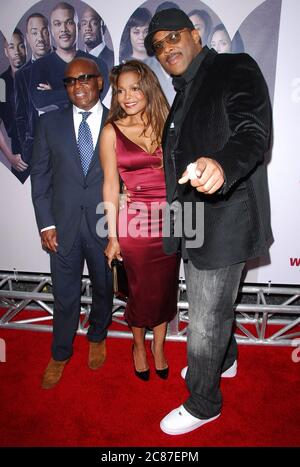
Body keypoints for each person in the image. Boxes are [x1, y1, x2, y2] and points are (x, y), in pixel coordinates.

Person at [144, 8, 273, 434]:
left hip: (226, 217)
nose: (167, 49)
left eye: (173, 37)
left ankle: (204, 403)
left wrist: (221, 164)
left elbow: (253, 132)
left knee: (203, 318)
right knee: (215, 309)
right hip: (193, 221)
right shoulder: (183, 92)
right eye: (158, 47)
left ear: (195, 34)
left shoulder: (234, 67)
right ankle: (226, 360)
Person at [31, 57, 113, 389]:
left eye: (84, 79)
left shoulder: (118, 121)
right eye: (69, 82)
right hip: (61, 226)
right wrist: (45, 223)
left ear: (99, 83)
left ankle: (97, 334)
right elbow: (40, 176)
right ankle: (60, 352)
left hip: (104, 225)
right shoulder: (49, 123)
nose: (77, 86)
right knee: (64, 294)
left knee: (104, 287)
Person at [100, 60, 179, 381]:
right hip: (133, 225)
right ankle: (137, 345)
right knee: (139, 291)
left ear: (147, 88)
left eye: (134, 88)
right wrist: (113, 235)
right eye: (120, 90)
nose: (127, 96)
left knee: (163, 290)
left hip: (171, 223)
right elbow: (109, 183)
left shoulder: (169, 124)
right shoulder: (111, 132)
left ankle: (158, 347)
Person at [29, 2, 109, 113]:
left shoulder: (97, 64)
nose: (63, 29)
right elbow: (39, 101)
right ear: (51, 30)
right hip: (55, 129)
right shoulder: (39, 66)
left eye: (69, 22)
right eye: (57, 24)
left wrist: (54, 92)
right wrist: (82, 92)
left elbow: (97, 98)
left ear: (78, 26)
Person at [14, 13, 52, 183]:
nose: (40, 38)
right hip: (35, 150)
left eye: (44, 31)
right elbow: (20, 115)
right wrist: (27, 144)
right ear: (28, 37)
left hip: (64, 148)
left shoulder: (66, 66)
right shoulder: (22, 75)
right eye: (35, 33)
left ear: (50, 33)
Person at [0, 29, 27, 175]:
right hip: (20, 156)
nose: (17, 51)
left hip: (46, 152)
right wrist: (10, 157)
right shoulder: (1, 84)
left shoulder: (38, 75)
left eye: (21, 45)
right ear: (5, 52)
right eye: (11, 47)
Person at [80, 5, 114, 72]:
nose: (88, 28)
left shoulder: (113, 58)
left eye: (94, 23)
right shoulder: (76, 59)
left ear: (103, 28)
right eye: (84, 24)